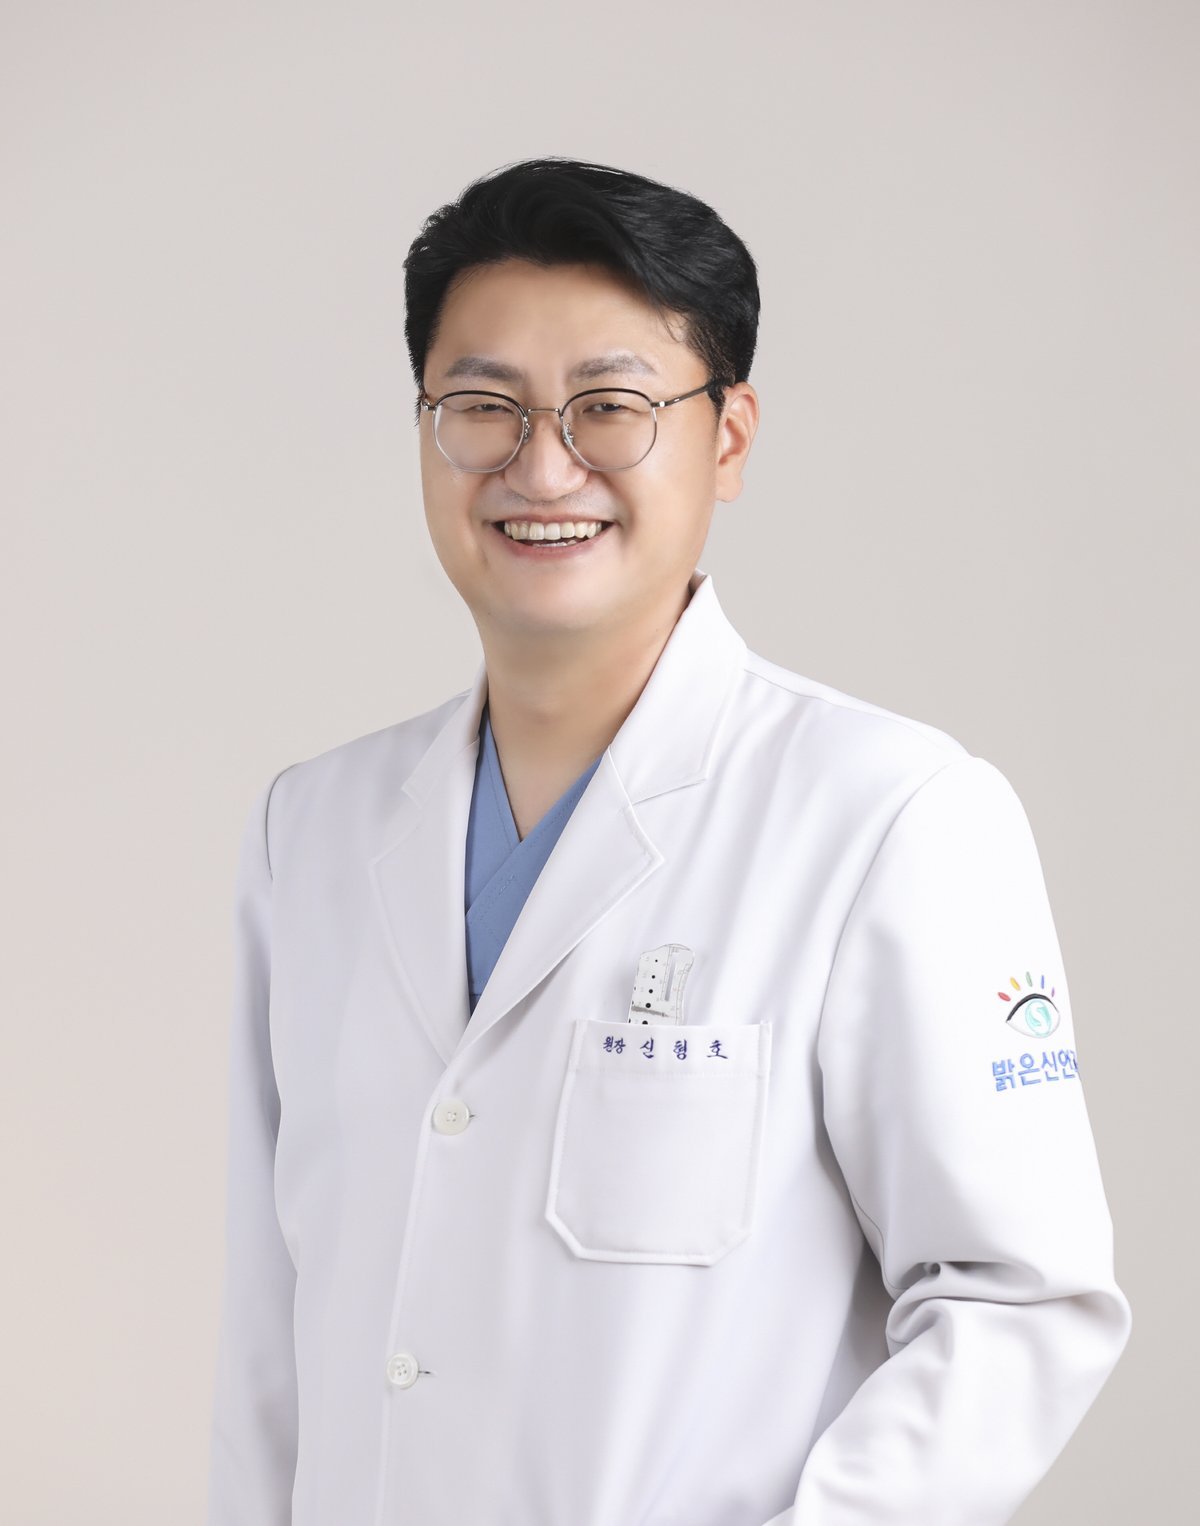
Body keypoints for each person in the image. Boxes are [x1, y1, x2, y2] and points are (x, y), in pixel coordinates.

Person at [206, 157, 1132, 1526]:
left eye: (611, 407)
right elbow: (268, 1343)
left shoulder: (891, 815)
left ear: (729, 437)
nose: (542, 467)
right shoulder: (314, 828)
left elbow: (1021, 1302)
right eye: (483, 407)